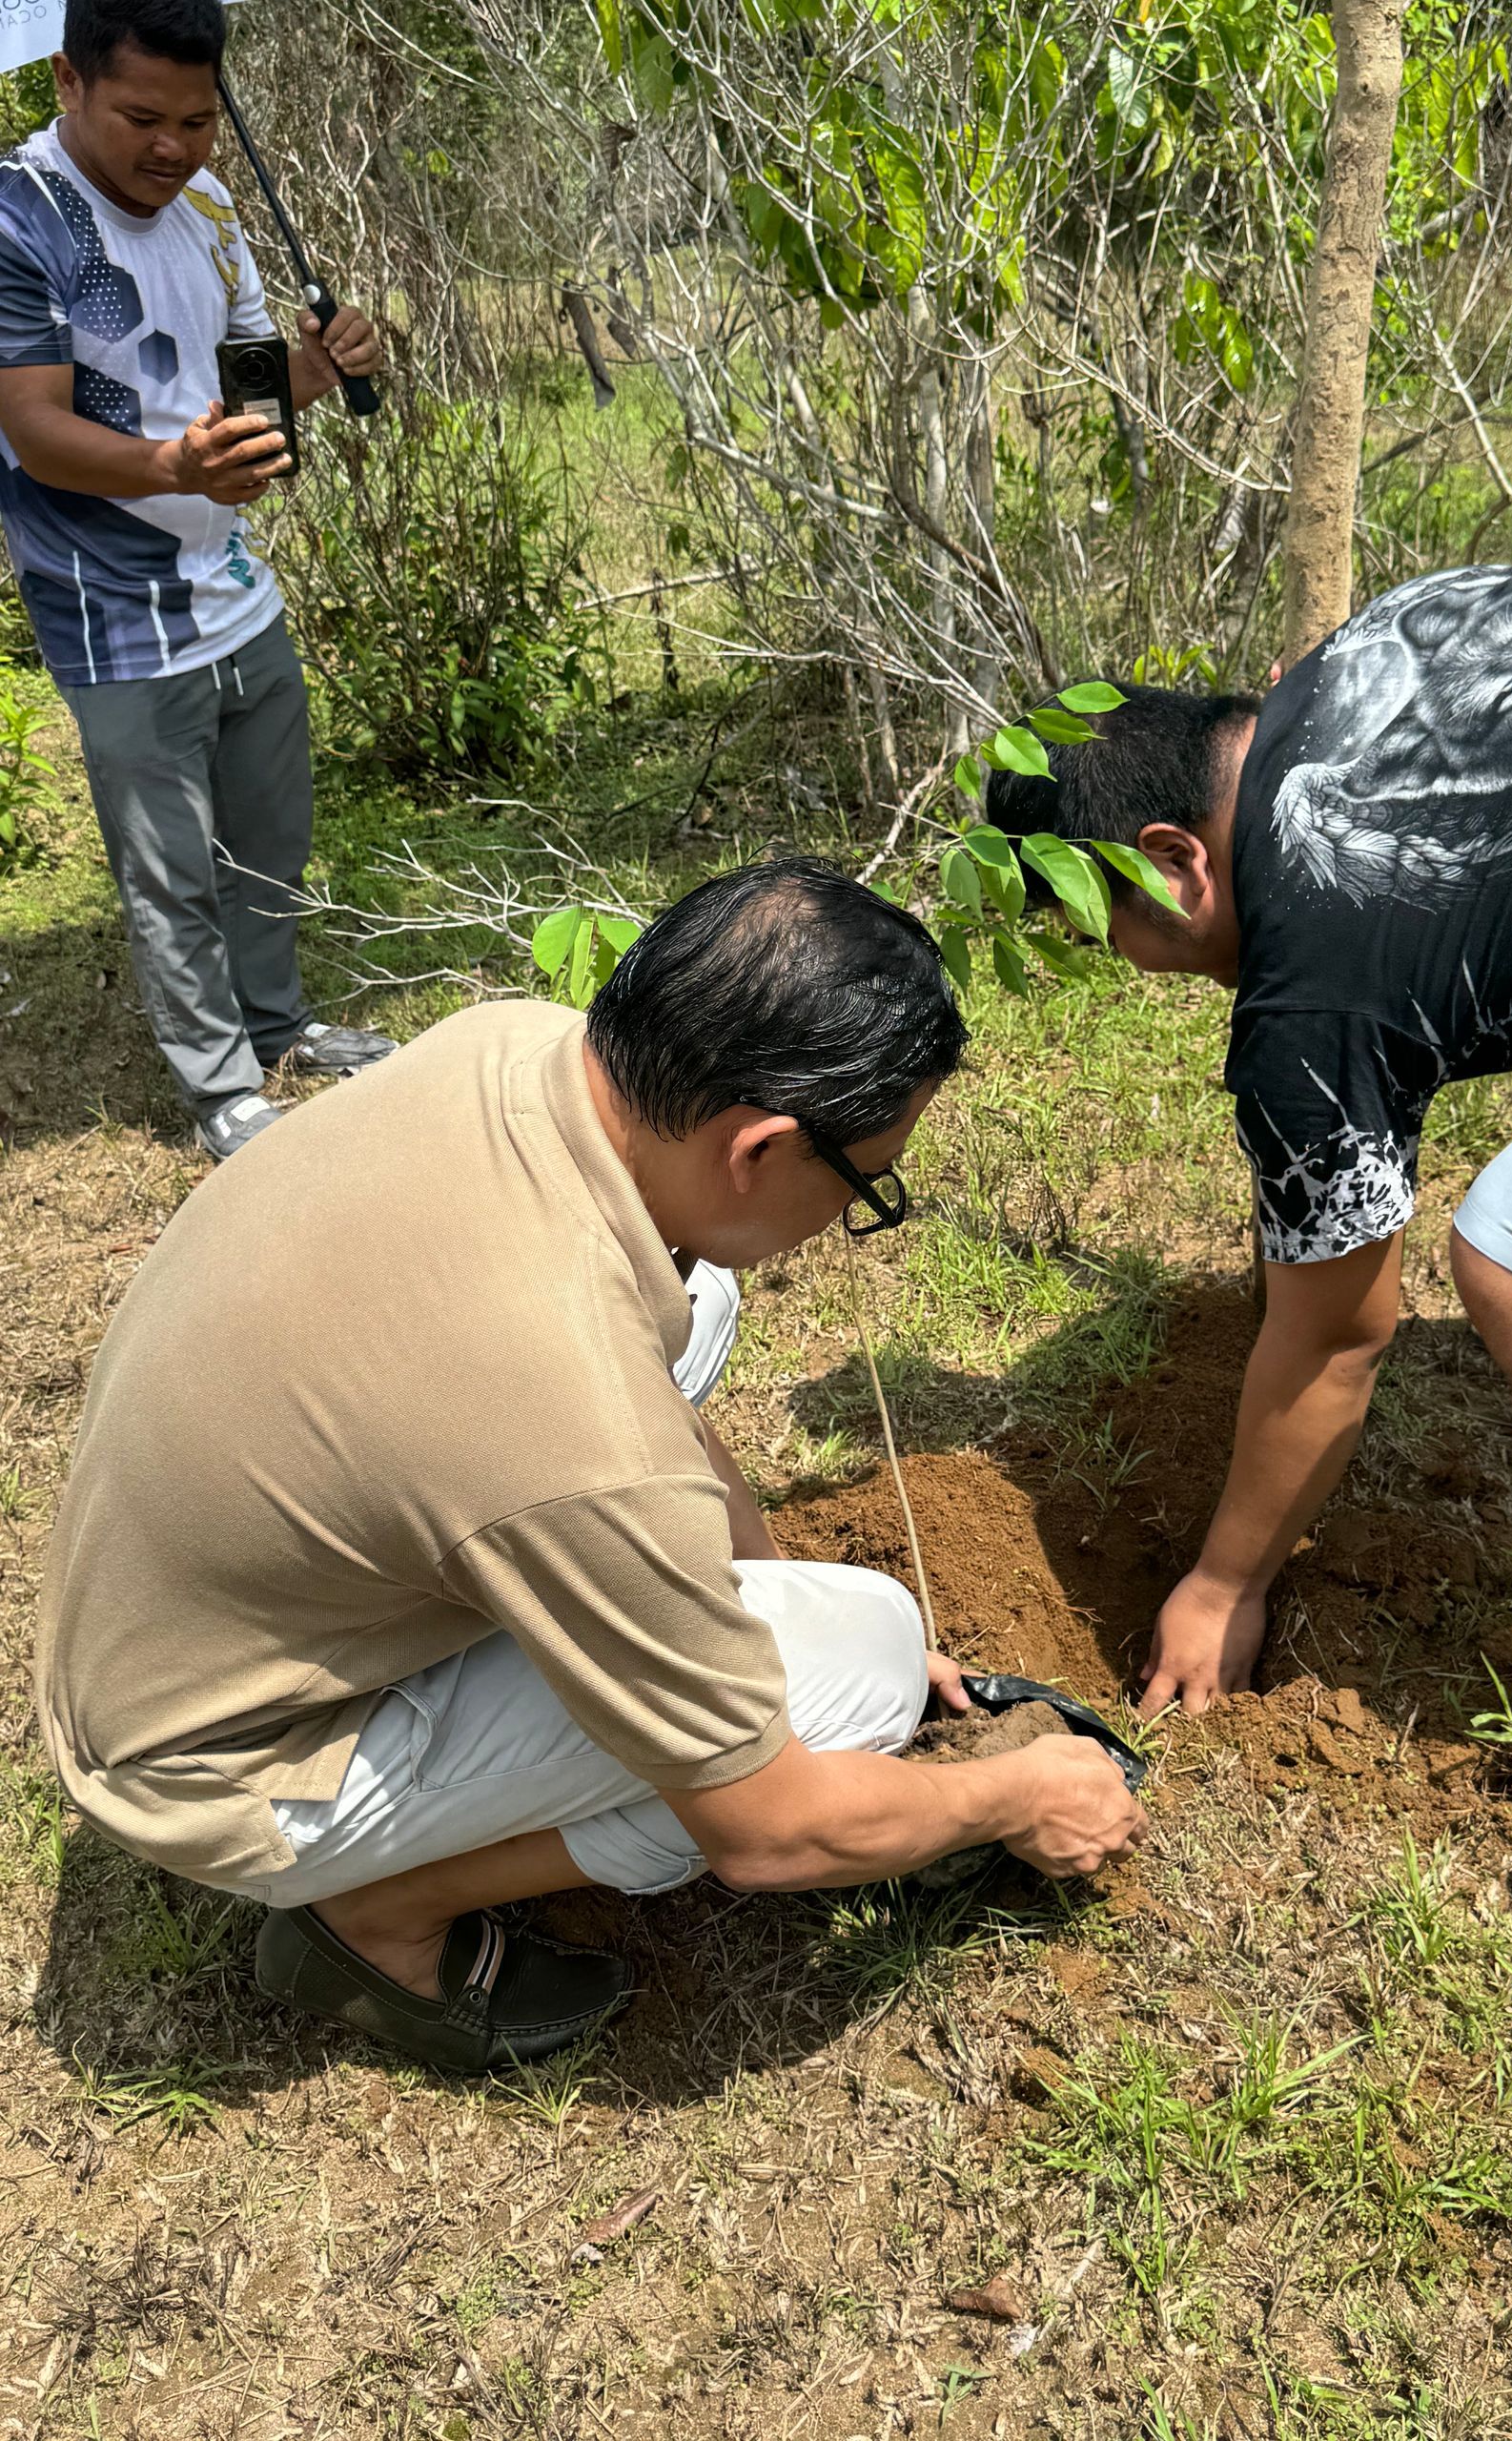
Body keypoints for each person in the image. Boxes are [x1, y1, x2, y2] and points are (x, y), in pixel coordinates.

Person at [34, 860, 1148, 2069]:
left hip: (175, 1623)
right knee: (866, 1666)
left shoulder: (518, 1046)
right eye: (863, 1184)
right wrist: (1018, 1794)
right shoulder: (571, 1421)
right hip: (218, 1765)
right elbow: (771, 1832)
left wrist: (766, 1591)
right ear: (761, 1148)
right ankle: (377, 1918)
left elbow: (607, 1410)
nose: (853, 1212)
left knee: (698, 1298)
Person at [990, 564, 1512, 1929]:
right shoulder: (1388, 638)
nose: (1135, 966)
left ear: (1174, 860)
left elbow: (1335, 1336)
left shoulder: (1313, 975)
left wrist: (1223, 1581)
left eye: (1109, 927)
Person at [0, 0, 393, 1161]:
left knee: (269, 836)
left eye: (198, 120)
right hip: (112, 611)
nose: (173, 148)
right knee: (170, 868)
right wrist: (175, 465)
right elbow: (32, 430)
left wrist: (316, 371)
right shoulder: (20, 218)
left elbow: (244, 390)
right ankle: (222, 1087)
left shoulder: (212, 205)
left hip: (232, 585)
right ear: (68, 81)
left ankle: (276, 1024)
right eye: (142, 119)